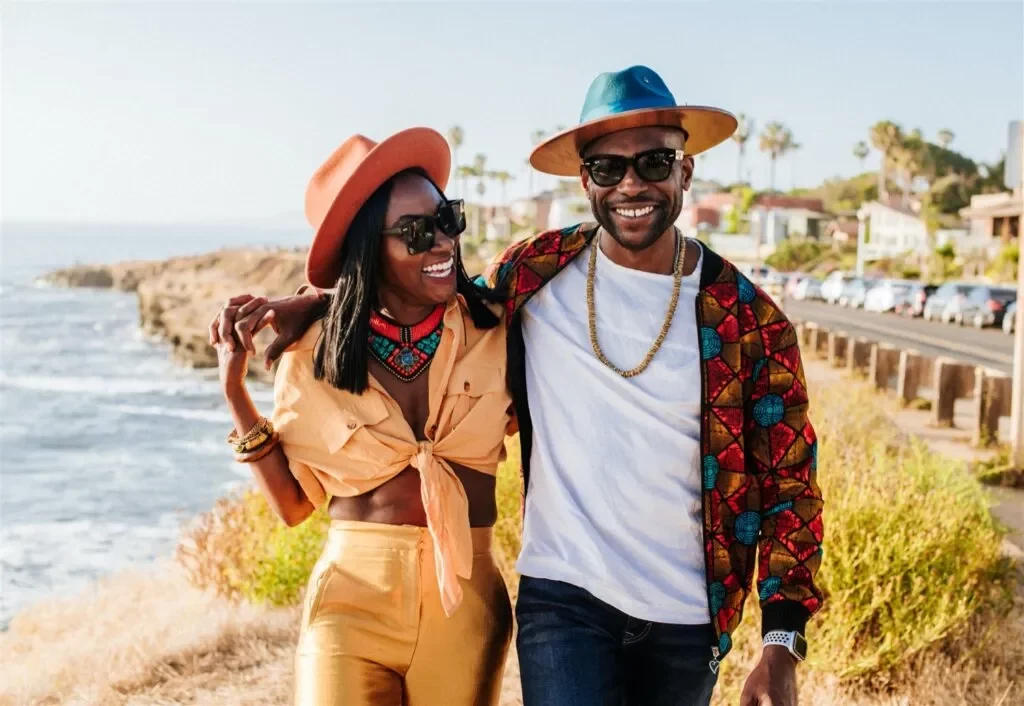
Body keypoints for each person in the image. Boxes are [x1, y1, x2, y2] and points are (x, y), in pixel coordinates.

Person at [217, 66, 825, 706]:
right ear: (585, 180)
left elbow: (792, 484)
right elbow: (416, 295)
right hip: (563, 599)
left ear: (686, 172)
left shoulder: (748, 320)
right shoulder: (537, 273)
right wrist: (313, 304)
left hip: (687, 614)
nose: (632, 185)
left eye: (653, 162)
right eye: (608, 169)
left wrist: (781, 646)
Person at [212, 127, 514, 706]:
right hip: (349, 598)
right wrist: (234, 392)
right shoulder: (310, 352)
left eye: (447, 218)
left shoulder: (499, 329)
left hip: (467, 601)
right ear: (368, 249)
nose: (443, 241)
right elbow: (296, 505)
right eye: (416, 232)